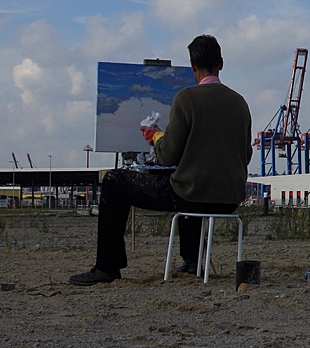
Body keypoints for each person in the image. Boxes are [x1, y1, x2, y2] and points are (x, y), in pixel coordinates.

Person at [69, 35, 252, 286]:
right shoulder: (239, 103)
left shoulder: (187, 99)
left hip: (194, 195)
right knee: (188, 180)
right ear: (221, 63)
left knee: (113, 181)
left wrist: (155, 136)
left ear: (192, 66)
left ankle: (107, 267)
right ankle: (190, 261)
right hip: (229, 198)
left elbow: (168, 156)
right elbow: (247, 155)